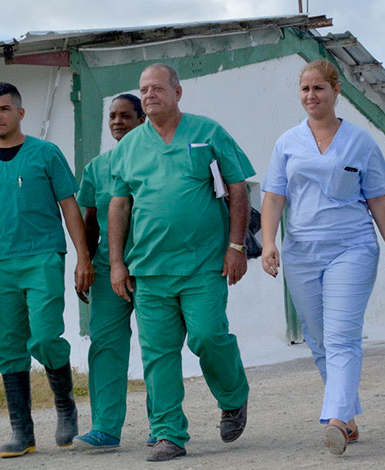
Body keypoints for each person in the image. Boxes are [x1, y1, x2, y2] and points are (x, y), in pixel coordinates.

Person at [108, 63, 252, 462]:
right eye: (143, 89)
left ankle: (234, 396)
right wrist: (117, 263)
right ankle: (169, 433)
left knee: (208, 336)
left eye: (157, 88)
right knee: (158, 355)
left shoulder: (208, 133)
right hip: (149, 271)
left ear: (177, 92)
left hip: (204, 265)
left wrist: (236, 247)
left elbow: (238, 189)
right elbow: (119, 205)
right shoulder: (129, 146)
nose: (149, 94)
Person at [260, 60, 385, 455]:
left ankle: (335, 419)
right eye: (304, 89)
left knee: (341, 336)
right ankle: (348, 417)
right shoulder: (287, 142)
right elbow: (273, 197)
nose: (311, 96)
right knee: (318, 339)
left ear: (337, 91)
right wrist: (269, 242)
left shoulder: (360, 142)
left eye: (318, 88)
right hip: (301, 251)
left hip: (351, 247)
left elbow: (377, 199)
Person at [0, 82, 94, 458]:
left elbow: (69, 206)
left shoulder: (45, 154)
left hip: (43, 257)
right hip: (1, 263)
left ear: (20, 113)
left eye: (4, 109)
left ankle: (65, 407)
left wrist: (82, 256)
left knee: (46, 336)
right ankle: (22, 432)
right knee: (8, 345)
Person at [73, 94, 147, 449]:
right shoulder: (97, 168)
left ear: (142, 119)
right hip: (106, 269)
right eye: (113, 116)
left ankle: (163, 425)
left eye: (126, 116)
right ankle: (105, 428)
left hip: (151, 265)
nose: (117, 122)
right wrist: (84, 262)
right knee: (105, 345)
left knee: (156, 346)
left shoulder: (153, 159)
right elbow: (90, 222)